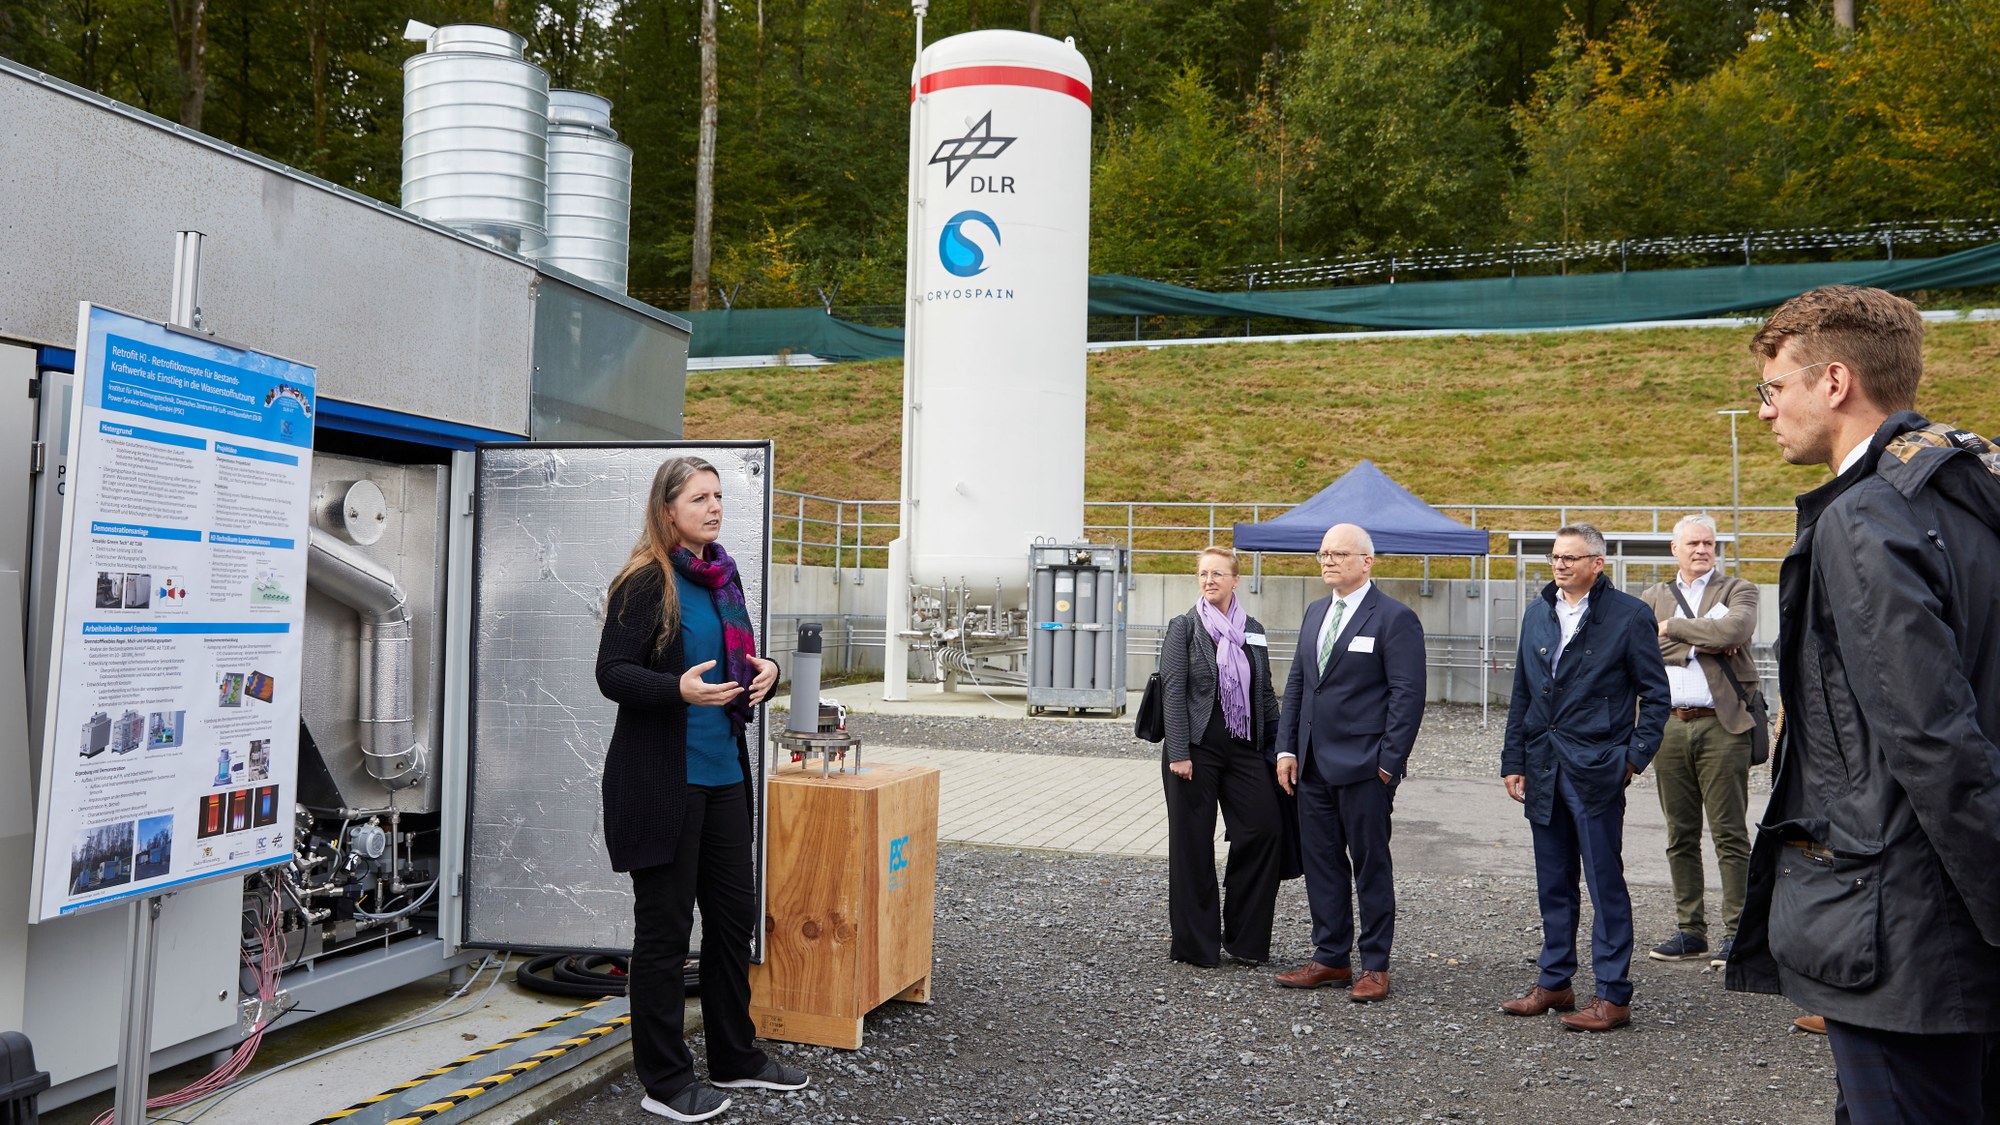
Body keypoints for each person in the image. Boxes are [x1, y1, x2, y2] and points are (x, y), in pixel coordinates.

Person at [1727, 285, 2000, 1122]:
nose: (1766, 413)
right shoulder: (1967, 492)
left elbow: (1931, 740)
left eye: (1774, 390)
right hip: (1952, 924)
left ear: (1835, 382)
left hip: (1904, 928)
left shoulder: (1865, 518)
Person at [596, 456, 809, 1123]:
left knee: (733, 919)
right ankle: (664, 1079)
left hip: (723, 775)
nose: (715, 506)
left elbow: (743, 653)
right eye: (699, 497)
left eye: (719, 495)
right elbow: (612, 673)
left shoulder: (723, 574)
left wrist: (769, 667)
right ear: (668, 511)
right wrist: (675, 689)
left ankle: (735, 1054)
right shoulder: (644, 581)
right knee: (664, 932)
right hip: (664, 784)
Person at [1499, 523, 1669, 1032]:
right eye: (1555, 557)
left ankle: (1613, 997)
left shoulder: (1629, 616)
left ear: (1598, 563)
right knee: (1553, 883)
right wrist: (1513, 759)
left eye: (1571, 558)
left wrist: (1633, 758)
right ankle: (1555, 982)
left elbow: (1655, 695)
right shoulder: (1538, 615)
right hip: (1543, 765)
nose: (1560, 565)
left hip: (1596, 768)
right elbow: (1523, 693)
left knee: (1604, 883)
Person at [1272, 523, 1425, 1003]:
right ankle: (1331, 957)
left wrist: (1388, 764)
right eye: (1323, 553)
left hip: (1364, 767)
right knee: (1321, 864)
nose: (1328, 561)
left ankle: (1375, 964)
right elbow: (1298, 683)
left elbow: (1407, 696)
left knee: (1370, 865)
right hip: (1312, 764)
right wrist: (1287, 748)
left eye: (1339, 553)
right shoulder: (1317, 611)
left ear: (1367, 561)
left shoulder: (1394, 619)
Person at [1637, 513, 1759, 969]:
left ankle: (1738, 932)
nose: (1702, 550)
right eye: (1693, 543)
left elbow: (1734, 631)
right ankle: (1691, 931)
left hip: (1722, 725)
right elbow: (1641, 648)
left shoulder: (1737, 591)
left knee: (1729, 833)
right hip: (1668, 726)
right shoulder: (1652, 597)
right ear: (1675, 549)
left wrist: (1670, 629)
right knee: (1679, 833)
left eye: (1709, 543)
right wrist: (1698, 638)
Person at [1159, 546, 1290, 967]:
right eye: (1203, 574)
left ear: (1236, 580)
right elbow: (1173, 692)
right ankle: (1197, 947)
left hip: (1245, 747)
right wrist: (1178, 750)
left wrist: (1280, 747)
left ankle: (1245, 941)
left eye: (1218, 573)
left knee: (1264, 829)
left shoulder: (1252, 628)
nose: (1209, 580)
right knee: (1192, 845)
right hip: (1194, 751)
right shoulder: (1184, 627)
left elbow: (1264, 692)